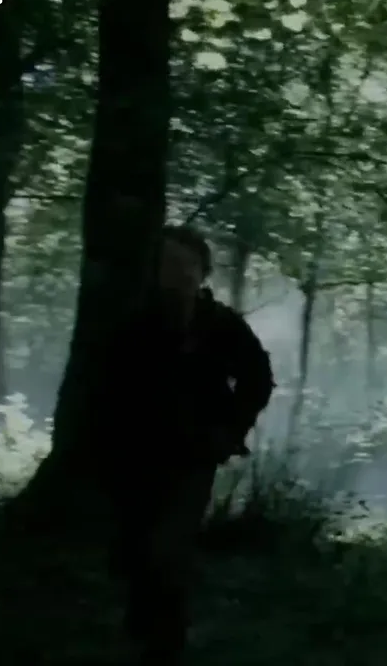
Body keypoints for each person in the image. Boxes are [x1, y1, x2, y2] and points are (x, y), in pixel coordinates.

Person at [102, 224, 274, 666]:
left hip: (193, 456)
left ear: (202, 272)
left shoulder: (220, 325)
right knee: (136, 546)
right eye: (166, 263)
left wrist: (229, 431)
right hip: (134, 455)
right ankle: (142, 625)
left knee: (169, 547)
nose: (176, 273)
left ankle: (166, 643)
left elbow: (257, 378)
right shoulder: (135, 323)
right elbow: (106, 387)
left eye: (185, 264)